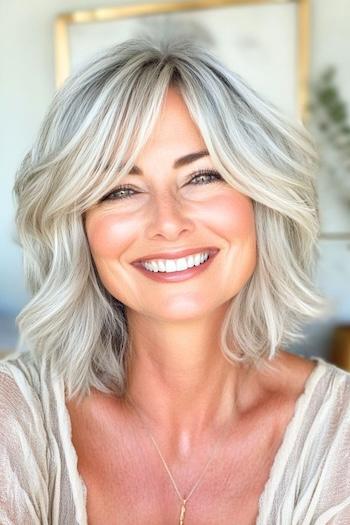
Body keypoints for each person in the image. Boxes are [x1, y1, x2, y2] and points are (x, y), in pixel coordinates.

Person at [1, 35, 350, 525]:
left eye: (202, 177)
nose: (167, 221)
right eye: (120, 189)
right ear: (77, 227)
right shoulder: (13, 417)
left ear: (260, 199)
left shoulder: (341, 433)